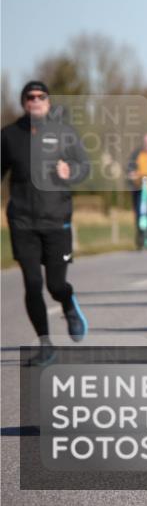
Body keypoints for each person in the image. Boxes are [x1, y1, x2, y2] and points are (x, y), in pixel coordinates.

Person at [2, 81, 90, 364]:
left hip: (57, 221)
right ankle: (45, 344)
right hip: (22, 221)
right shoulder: (9, 136)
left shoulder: (65, 133)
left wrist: (71, 170)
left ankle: (68, 303)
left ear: (48, 102)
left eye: (41, 97)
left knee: (55, 284)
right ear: (24, 102)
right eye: (31, 97)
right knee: (31, 283)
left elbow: (84, 167)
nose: (36, 100)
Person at [126, 133, 147, 250]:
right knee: (140, 215)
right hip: (140, 189)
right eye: (146, 143)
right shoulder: (137, 154)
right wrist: (132, 175)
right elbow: (130, 168)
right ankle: (140, 238)